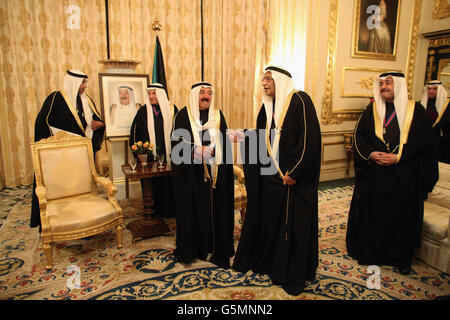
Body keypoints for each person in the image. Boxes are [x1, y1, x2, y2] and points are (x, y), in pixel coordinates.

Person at [231, 66, 322, 295]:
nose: (264, 83)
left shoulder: (300, 101)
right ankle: (271, 263)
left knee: (291, 227)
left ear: (281, 81)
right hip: (271, 181)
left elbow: (309, 140)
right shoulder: (265, 109)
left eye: (269, 79)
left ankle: (288, 271)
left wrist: (295, 172)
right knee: (271, 222)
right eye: (263, 79)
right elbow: (261, 141)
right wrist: (243, 137)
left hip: (293, 181)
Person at [346, 72, 439, 275]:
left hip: (404, 176)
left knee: (402, 217)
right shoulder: (372, 110)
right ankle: (374, 254)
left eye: (388, 83)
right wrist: (371, 154)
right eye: (381, 84)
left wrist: (399, 156)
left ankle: (400, 258)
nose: (384, 87)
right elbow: (359, 137)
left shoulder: (416, 111)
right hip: (376, 176)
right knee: (375, 214)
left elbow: (426, 143)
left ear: (398, 85)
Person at [170, 82, 234, 269]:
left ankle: (215, 246)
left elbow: (225, 145)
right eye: (202, 93)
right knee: (194, 211)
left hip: (215, 176)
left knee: (215, 210)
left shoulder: (218, 115)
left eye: (209, 93)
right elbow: (175, 146)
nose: (206, 96)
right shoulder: (183, 116)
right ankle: (195, 248)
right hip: (191, 176)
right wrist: (194, 150)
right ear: (194, 95)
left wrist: (215, 152)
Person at [32, 69, 106, 229]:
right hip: (61, 156)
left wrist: (100, 124)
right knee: (64, 189)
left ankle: (87, 219)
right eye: (83, 83)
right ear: (74, 82)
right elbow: (41, 123)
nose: (85, 86)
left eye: (85, 82)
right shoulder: (56, 98)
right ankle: (62, 221)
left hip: (83, 154)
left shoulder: (87, 100)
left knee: (84, 187)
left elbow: (96, 120)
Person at [129, 83, 178, 218]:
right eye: (149, 94)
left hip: (169, 155)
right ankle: (153, 211)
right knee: (152, 184)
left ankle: (169, 210)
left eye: (154, 93)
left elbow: (180, 132)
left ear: (161, 94)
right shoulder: (143, 111)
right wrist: (138, 152)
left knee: (169, 182)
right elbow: (134, 134)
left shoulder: (172, 110)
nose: (151, 96)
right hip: (149, 156)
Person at [420, 80, 450, 163]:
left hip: (441, 141)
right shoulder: (420, 104)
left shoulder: (447, 105)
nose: (431, 91)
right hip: (424, 140)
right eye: (429, 89)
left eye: (434, 89)